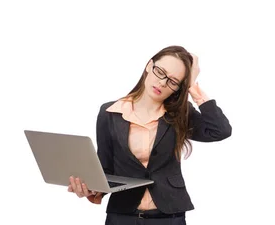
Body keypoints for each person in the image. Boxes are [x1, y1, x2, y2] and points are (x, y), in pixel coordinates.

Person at [67, 45, 232, 225]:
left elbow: (220, 130)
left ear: (178, 88)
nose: (162, 82)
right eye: (160, 72)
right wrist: (92, 189)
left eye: (173, 81)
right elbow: (106, 170)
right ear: (149, 66)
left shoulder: (180, 114)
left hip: (168, 217)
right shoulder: (110, 113)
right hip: (122, 216)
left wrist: (193, 88)